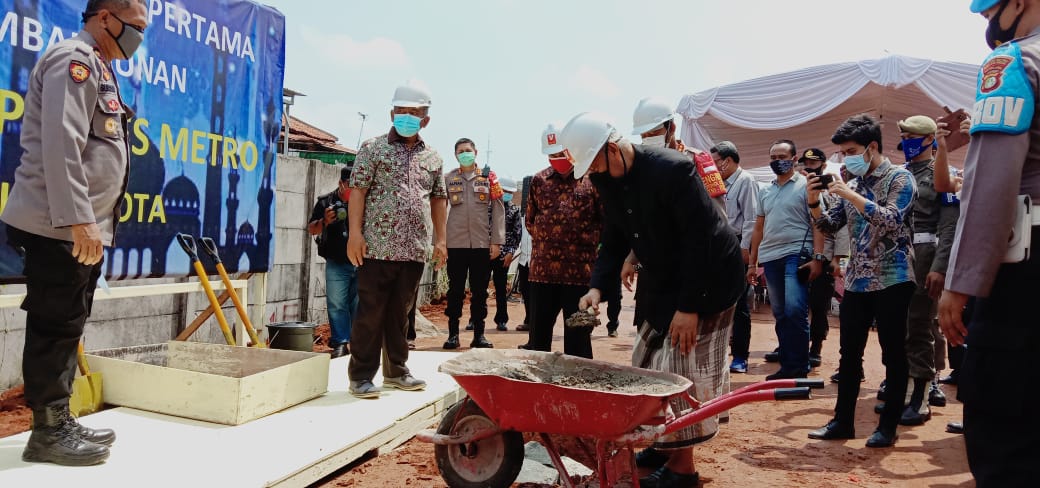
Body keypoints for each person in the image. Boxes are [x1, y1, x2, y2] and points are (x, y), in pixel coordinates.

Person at [0, 0, 149, 466]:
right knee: (54, 323)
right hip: (59, 224)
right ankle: (46, 432)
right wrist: (78, 219)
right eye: (134, 27)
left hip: (81, 226)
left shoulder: (100, 67)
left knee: (68, 324)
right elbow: (62, 143)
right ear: (104, 17)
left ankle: (57, 419)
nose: (138, 38)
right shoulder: (74, 60)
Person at [565, 112, 744, 488]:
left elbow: (701, 240)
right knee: (645, 360)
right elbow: (613, 238)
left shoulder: (674, 171)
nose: (593, 173)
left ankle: (682, 469)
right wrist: (597, 288)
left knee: (681, 369)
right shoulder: (605, 178)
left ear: (612, 148)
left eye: (595, 163)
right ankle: (664, 444)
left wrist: (689, 307)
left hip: (709, 277)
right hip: (663, 275)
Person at [938, 1, 1040, 484]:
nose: (986, 23)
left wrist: (962, 282)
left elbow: (990, 183)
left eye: (987, 12)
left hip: (1024, 274)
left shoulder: (1013, 61)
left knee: (1004, 427)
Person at [807, 114, 917, 448]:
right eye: (841, 153)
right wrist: (814, 203)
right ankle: (842, 421)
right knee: (848, 354)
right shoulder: (849, 185)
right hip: (856, 280)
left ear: (871, 148)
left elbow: (891, 220)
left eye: (850, 151)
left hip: (893, 278)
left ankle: (888, 426)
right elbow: (829, 227)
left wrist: (849, 194)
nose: (844, 159)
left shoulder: (901, 178)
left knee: (893, 354)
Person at [346, 80, 447, 399]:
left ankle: (397, 371)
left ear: (425, 119)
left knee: (401, 315)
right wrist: (355, 234)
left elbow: (438, 199)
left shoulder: (433, 157)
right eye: (401, 111)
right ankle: (361, 375)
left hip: (414, 250)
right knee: (370, 313)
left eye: (413, 113)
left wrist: (440, 241)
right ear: (391, 113)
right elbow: (358, 192)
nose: (406, 117)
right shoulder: (372, 148)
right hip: (376, 247)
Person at [884, 116, 960, 425]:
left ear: (929, 138)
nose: (906, 141)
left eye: (911, 135)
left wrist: (940, 267)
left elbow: (950, 224)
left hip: (926, 255)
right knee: (897, 324)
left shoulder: (945, 174)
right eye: (903, 135)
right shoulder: (898, 175)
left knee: (919, 325)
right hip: (896, 256)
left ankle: (922, 392)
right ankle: (904, 387)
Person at [520, 122, 600, 359]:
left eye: (561, 153)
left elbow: (604, 221)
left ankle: (580, 387)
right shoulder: (539, 180)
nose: (557, 159)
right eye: (552, 155)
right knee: (538, 338)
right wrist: (550, 239)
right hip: (542, 274)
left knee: (578, 340)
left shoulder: (592, 180)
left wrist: (582, 241)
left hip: (580, 276)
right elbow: (530, 219)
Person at [747, 140, 825, 380]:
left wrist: (819, 257)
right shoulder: (765, 190)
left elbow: (818, 222)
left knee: (795, 309)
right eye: (772, 157)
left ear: (794, 159)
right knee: (780, 312)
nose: (776, 161)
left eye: (781, 156)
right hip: (770, 257)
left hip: (797, 253)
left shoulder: (806, 185)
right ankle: (788, 363)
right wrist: (753, 262)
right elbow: (758, 228)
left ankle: (799, 367)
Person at [442, 139, 503, 349]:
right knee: (455, 290)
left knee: (480, 291)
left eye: (468, 151)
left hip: (480, 244)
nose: (465, 154)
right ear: (455, 155)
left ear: (475, 152)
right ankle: (452, 335)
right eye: (461, 151)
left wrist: (496, 241)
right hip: (455, 243)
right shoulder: (449, 179)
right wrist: (440, 242)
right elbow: (440, 211)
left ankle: (479, 335)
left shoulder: (489, 178)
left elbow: (498, 210)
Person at [797, 148, 850, 368]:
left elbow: (842, 229)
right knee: (798, 304)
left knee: (819, 304)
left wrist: (840, 261)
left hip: (828, 256)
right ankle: (792, 344)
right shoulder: (798, 187)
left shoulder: (835, 190)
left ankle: (816, 347)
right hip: (802, 252)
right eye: (806, 163)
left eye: (814, 162)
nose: (809, 166)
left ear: (823, 164)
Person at [711, 141, 759, 374]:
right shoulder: (717, 183)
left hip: (737, 245)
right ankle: (720, 352)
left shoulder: (745, 180)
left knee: (739, 304)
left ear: (727, 161)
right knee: (718, 302)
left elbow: (751, 218)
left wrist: (745, 248)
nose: (712, 167)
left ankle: (740, 356)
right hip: (718, 247)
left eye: (715, 162)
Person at [308, 166, 358, 359]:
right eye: (349, 185)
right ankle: (340, 342)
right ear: (341, 183)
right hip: (336, 260)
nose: (352, 189)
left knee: (358, 304)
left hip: (361, 260)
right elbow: (311, 229)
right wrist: (325, 221)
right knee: (337, 303)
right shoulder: (326, 201)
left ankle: (357, 341)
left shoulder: (365, 201)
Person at [490, 177, 522, 331]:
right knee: (479, 288)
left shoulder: (515, 210)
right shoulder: (487, 207)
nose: (507, 194)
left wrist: (510, 252)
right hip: (486, 254)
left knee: (501, 288)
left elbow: (517, 234)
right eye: (505, 191)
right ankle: (475, 319)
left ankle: (501, 319)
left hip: (503, 256)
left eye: (510, 192)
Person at [514, 217, 533, 331]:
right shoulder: (523, 220)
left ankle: (535, 321)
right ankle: (529, 320)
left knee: (536, 293)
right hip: (523, 260)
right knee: (525, 291)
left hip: (536, 261)